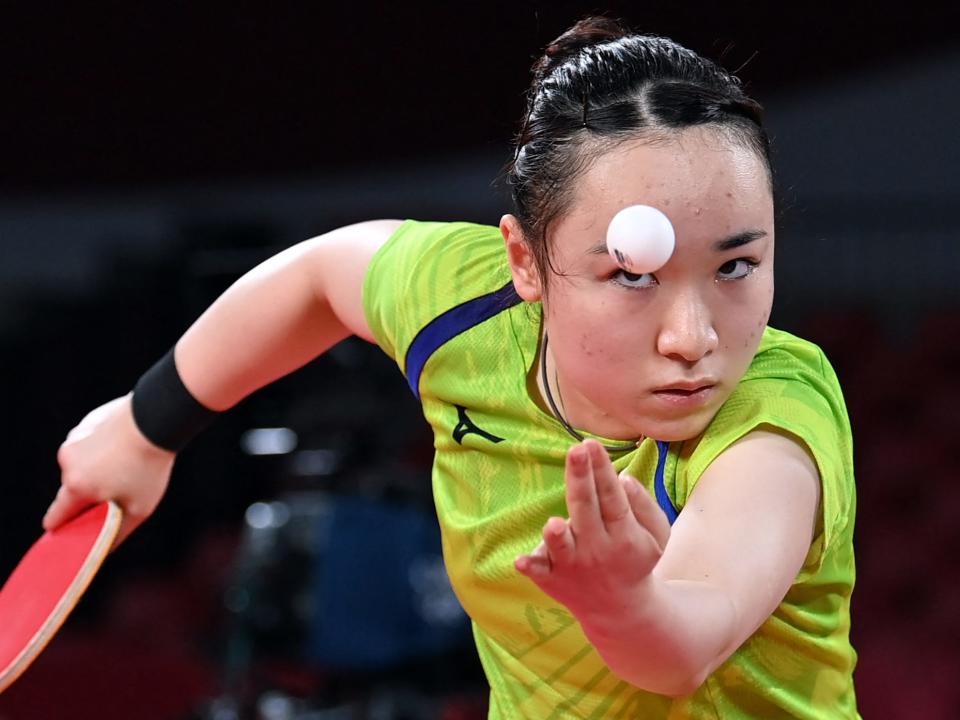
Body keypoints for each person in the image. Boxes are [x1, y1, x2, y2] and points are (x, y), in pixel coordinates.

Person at [45, 16, 858, 719]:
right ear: (526, 264)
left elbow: (686, 641)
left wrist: (632, 608)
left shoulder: (774, 423)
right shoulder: (466, 311)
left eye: (736, 267)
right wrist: (145, 425)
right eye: (633, 276)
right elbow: (322, 276)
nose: (692, 337)